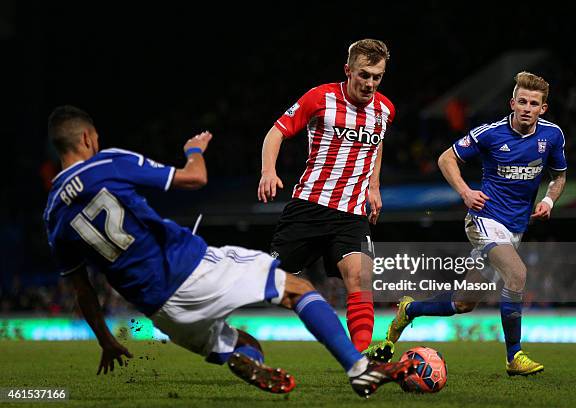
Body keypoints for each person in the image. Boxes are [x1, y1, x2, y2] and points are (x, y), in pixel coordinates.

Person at [43, 105, 415, 398]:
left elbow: (83, 292)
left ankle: (245, 361)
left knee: (244, 344)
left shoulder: (53, 215)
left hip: (159, 310)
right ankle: (358, 369)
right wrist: (194, 151)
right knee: (298, 289)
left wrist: (106, 340)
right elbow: (194, 178)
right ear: (89, 137)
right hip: (189, 267)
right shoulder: (107, 163)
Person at [369, 72, 567, 376]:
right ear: (512, 103)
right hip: (485, 219)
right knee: (517, 273)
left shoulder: (552, 136)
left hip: (515, 228)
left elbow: (559, 175)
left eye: (534, 103)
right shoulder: (490, 133)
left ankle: (409, 309)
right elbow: (446, 158)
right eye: (522, 101)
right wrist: (465, 191)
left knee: (463, 302)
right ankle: (514, 357)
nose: (527, 107)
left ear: (543, 108)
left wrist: (549, 201)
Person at [258, 39, 395, 354]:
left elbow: (378, 142)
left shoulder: (385, 109)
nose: (371, 83)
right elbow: (276, 131)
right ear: (348, 71)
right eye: (364, 75)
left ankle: (359, 360)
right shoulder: (320, 98)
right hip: (309, 207)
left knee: (360, 278)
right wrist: (268, 171)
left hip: (352, 213)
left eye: (377, 77)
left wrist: (373, 186)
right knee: (270, 285)